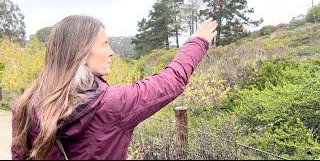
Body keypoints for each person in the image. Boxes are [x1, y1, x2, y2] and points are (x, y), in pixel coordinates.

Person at [11, 15, 218, 160]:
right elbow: (170, 81)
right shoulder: (111, 105)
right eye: (105, 44)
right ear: (82, 53)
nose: (111, 52)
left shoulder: (26, 104)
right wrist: (198, 42)